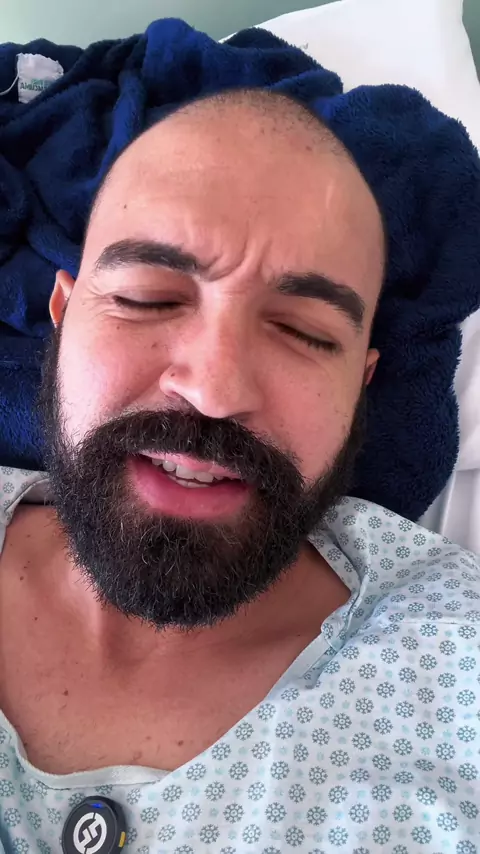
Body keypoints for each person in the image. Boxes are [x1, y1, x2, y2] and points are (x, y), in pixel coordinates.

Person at [0, 88, 478, 854]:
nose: (215, 391)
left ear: (360, 386)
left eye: (301, 332)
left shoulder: (457, 669)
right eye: (147, 299)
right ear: (62, 319)